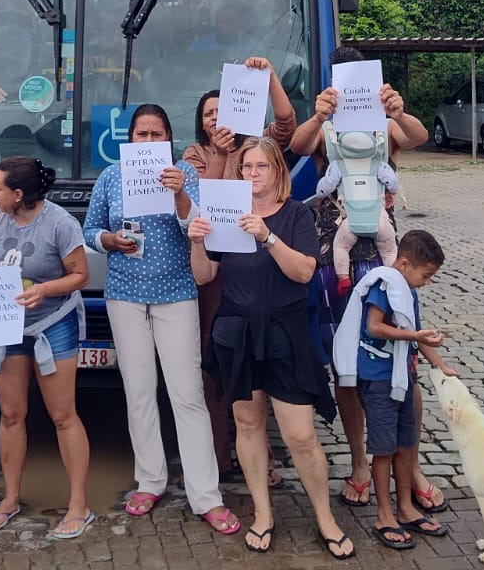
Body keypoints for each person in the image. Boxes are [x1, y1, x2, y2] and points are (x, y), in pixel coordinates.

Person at [288, 47, 440, 515]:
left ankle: (411, 468)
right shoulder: (324, 124)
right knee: (347, 367)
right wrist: (318, 116)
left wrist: (399, 110)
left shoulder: (384, 122)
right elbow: (297, 145)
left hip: (387, 262)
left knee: (403, 360)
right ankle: (359, 463)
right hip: (335, 263)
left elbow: (417, 136)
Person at [188, 138, 354, 560]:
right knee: (247, 424)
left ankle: (325, 517)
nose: (253, 174)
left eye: (261, 166)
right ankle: (262, 513)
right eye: (247, 167)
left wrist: (267, 237)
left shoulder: (296, 214)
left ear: (277, 169)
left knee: (300, 435)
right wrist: (196, 240)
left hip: (285, 332)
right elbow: (205, 275)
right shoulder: (226, 213)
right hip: (238, 330)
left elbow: (304, 272)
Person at [83, 104, 240, 535]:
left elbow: (201, 226)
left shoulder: (184, 174)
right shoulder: (111, 177)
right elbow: (89, 230)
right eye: (142, 134)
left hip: (176, 294)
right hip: (125, 295)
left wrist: (180, 195)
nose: (149, 141)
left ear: (168, 139)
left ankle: (206, 494)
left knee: (187, 394)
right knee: (138, 392)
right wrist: (109, 239)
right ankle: (150, 481)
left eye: (157, 134)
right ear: (130, 138)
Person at [179, 57, 297, 475]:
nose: (215, 118)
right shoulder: (194, 154)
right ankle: (220, 455)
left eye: (220, 110)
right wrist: (220, 153)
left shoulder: (257, 146)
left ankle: (263, 452)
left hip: (258, 263)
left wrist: (270, 78)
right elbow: (200, 198)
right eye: (207, 114)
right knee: (216, 362)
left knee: (258, 360)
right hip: (216, 270)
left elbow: (288, 126)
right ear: (201, 122)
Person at [0, 157, 93, 538]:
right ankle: (10, 498)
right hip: (5, 324)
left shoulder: (60, 223)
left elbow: (80, 275)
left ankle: (78, 504)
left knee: (63, 415)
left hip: (53, 324)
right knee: (10, 414)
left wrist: (44, 290)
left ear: (18, 194)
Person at [332, 229, 454, 549]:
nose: (426, 282)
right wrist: (414, 337)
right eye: (425, 275)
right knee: (384, 449)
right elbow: (375, 327)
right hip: (378, 379)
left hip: (402, 378)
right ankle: (384, 514)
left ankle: (405, 507)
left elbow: (417, 333)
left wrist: (441, 365)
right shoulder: (384, 285)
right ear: (403, 264)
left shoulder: (407, 290)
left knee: (405, 444)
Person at [315, 127, 399, 296]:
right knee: (389, 250)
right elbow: (393, 184)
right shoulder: (379, 164)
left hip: (350, 221)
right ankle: (393, 278)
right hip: (378, 219)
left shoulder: (338, 165)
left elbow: (326, 186)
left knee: (340, 247)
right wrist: (391, 192)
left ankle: (343, 278)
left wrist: (319, 195)